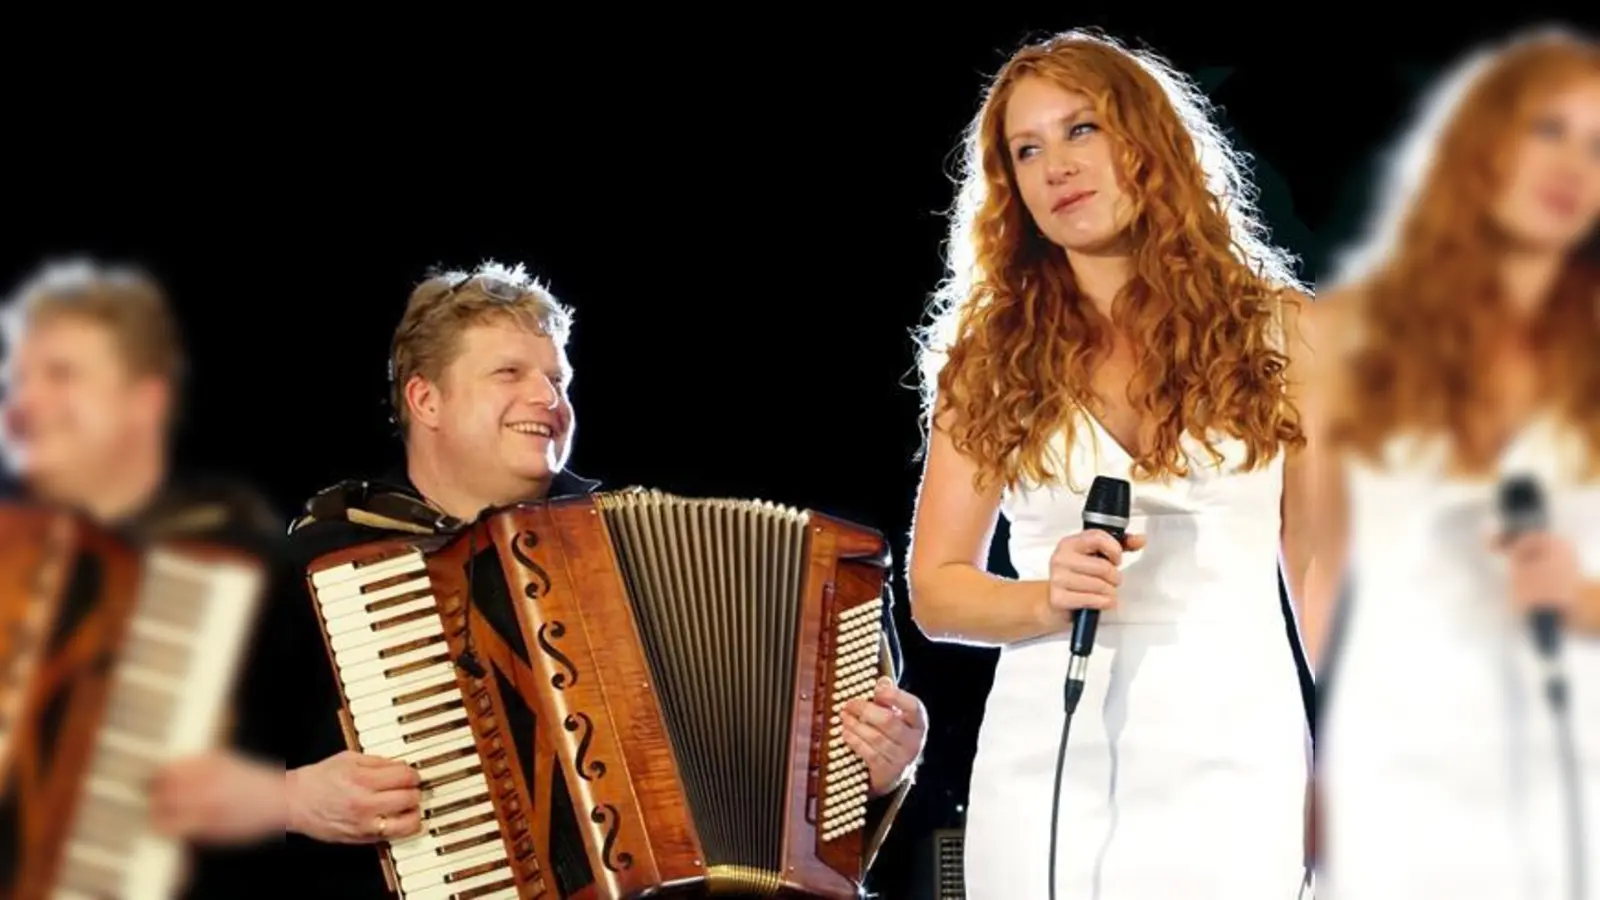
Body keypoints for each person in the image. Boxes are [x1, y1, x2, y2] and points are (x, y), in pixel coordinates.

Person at [281, 262, 929, 896]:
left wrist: (878, 765)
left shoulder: (631, 545)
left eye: (557, 380)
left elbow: (811, 801)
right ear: (426, 399)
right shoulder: (335, 555)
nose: (547, 398)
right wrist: (293, 799)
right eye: (510, 373)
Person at [908, 30, 1316, 898]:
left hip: (1236, 748)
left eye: (1081, 129)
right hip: (1047, 753)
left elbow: (1322, 576)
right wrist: (1041, 597)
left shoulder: (1284, 332)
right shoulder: (989, 360)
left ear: (1147, 141)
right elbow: (937, 589)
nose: (1056, 166)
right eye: (1028, 149)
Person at [1308, 28, 1600, 899]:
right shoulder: (1349, 332)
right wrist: (1306, 748)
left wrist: (1581, 595)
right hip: (1396, 752)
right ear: (1483, 142)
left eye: (1598, 146)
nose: (1571, 166)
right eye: (1549, 130)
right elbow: (1310, 563)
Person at [0, 259, 287, 898]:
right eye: (17, 378)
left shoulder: (245, 560)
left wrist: (275, 799)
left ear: (144, 400)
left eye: (61, 375)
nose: (25, 402)